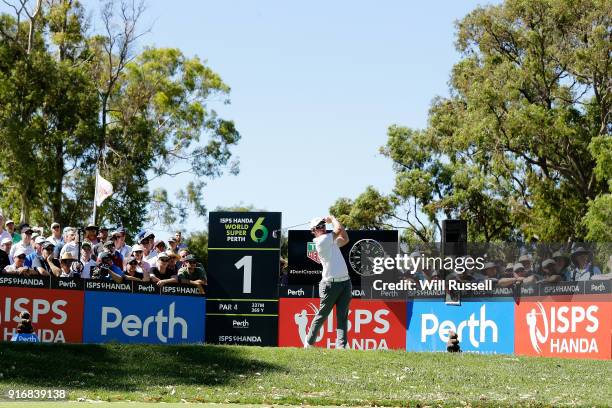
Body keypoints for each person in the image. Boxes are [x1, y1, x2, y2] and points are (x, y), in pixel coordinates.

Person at [304, 216, 351, 349]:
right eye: (319, 227)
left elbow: (345, 238)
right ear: (313, 230)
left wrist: (334, 222)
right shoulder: (321, 241)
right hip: (330, 284)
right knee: (322, 314)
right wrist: (333, 219)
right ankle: (309, 342)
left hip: (345, 282)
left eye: (323, 225)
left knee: (342, 315)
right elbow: (338, 229)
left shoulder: (330, 241)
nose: (322, 228)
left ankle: (341, 346)